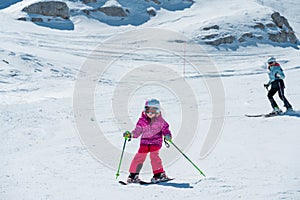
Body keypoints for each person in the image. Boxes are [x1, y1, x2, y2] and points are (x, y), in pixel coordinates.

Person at [123, 98, 172, 183]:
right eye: (147, 110)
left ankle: (159, 174)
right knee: (139, 157)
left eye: (153, 111)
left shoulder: (160, 121)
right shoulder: (142, 121)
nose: (150, 113)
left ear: (158, 111)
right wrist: (131, 134)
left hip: (155, 143)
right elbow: (137, 132)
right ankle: (133, 175)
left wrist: (167, 135)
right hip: (144, 143)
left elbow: (165, 129)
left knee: (154, 157)